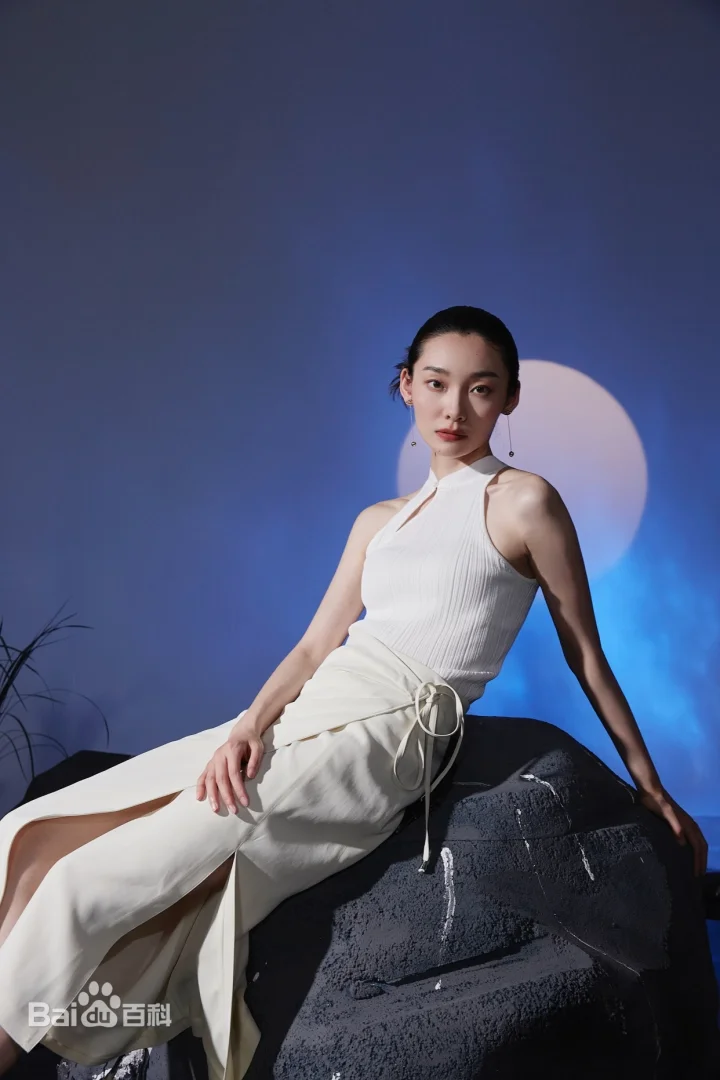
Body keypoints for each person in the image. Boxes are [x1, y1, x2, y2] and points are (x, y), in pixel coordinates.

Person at [0, 305, 708, 1080]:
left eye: (480, 389)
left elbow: (586, 654)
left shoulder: (523, 502)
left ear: (510, 397)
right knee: (33, 841)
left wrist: (650, 787)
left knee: (82, 887)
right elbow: (315, 646)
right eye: (436, 384)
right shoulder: (380, 521)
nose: (454, 407)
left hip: (389, 735)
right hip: (316, 705)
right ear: (407, 386)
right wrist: (250, 726)